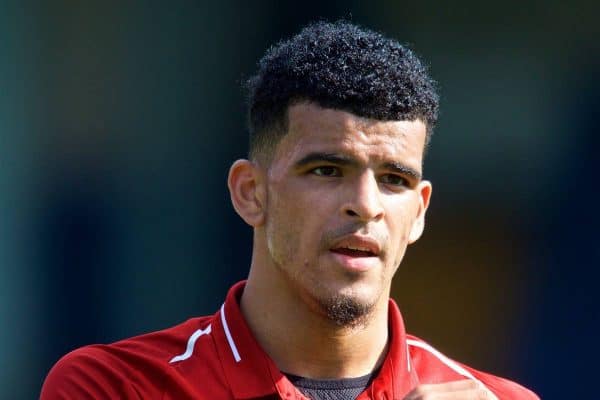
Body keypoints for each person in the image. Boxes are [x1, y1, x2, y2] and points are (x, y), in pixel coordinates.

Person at [40, 21, 539, 399]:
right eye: (326, 170)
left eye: (394, 180)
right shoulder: (115, 386)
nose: (365, 206)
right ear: (250, 192)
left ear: (421, 211)